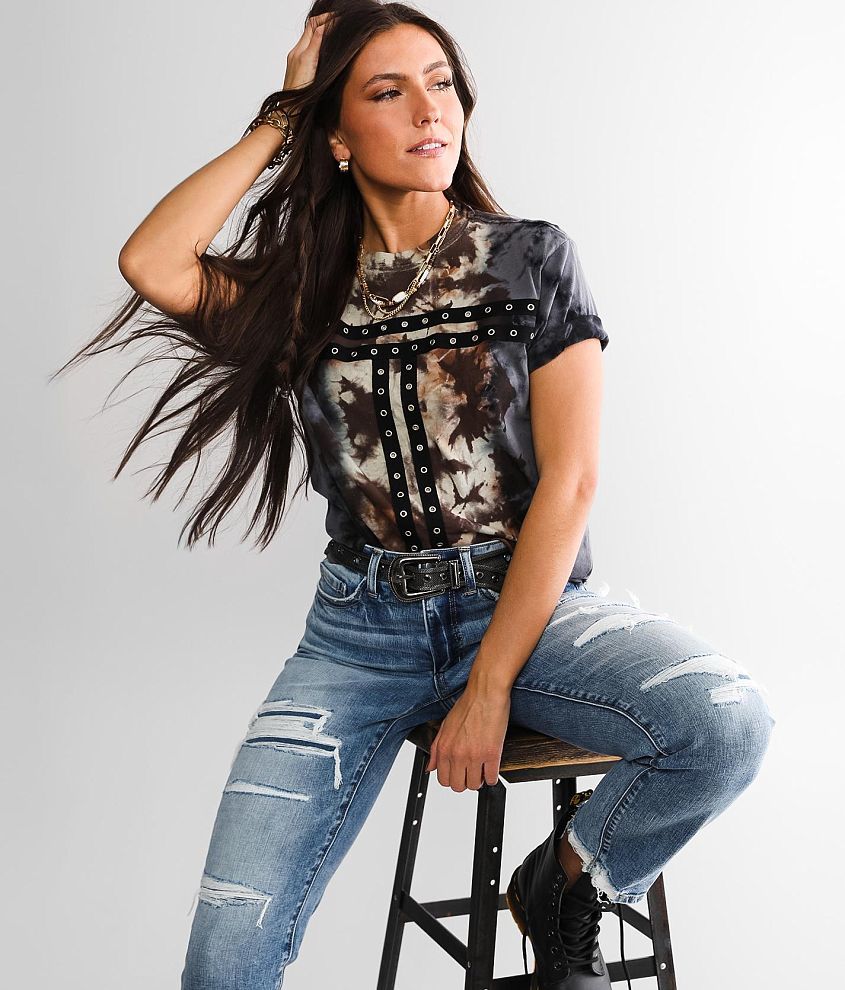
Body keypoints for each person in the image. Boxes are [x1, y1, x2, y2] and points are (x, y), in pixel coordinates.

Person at [53, 2, 776, 987]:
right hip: (355, 639)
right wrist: (281, 113)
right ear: (338, 136)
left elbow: (570, 483)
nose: (429, 110)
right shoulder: (300, 294)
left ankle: (564, 887)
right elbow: (152, 263)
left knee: (725, 721)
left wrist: (488, 688)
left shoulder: (529, 259)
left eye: (440, 84)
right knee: (223, 962)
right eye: (387, 93)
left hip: (528, 611)